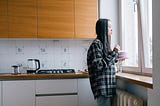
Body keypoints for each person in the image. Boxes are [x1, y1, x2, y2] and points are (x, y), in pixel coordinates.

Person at [87, 19, 120, 106]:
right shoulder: (96, 44)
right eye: (109, 27)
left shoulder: (103, 44)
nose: (111, 29)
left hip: (108, 87)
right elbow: (99, 65)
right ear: (103, 29)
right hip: (102, 88)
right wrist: (115, 52)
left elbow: (106, 62)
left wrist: (116, 57)